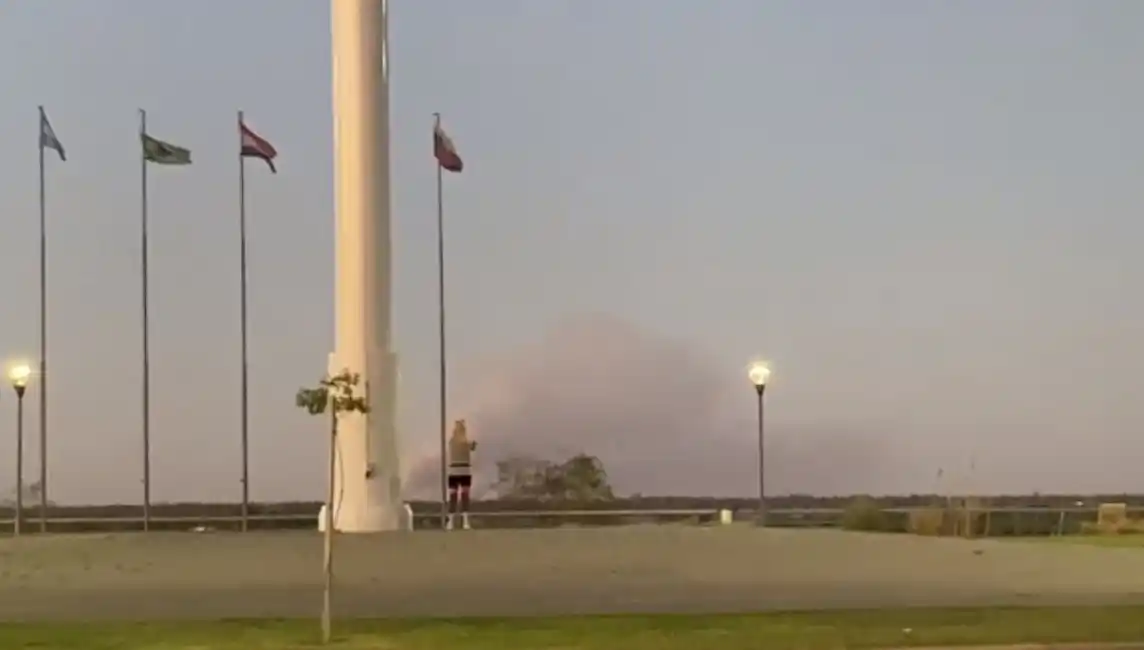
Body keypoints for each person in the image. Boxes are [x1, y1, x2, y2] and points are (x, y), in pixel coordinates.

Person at [447, 419, 477, 530]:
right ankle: (461, 522)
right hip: (462, 470)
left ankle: (453, 521)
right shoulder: (463, 442)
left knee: (455, 497)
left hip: (456, 470)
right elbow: (472, 446)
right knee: (462, 497)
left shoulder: (453, 441)